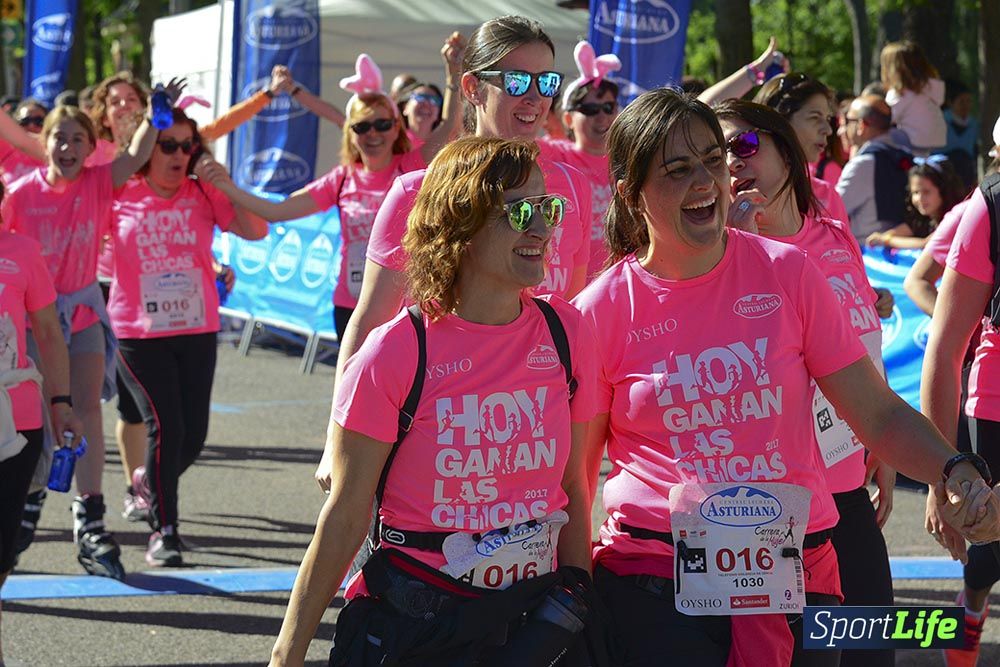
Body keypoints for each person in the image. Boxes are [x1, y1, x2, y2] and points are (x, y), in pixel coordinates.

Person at [571, 87, 994, 667]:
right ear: (629, 191)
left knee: (880, 649)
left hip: (800, 578)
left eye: (712, 161)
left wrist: (956, 471)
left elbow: (877, 413)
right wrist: (570, 599)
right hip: (656, 584)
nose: (705, 181)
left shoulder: (787, 271)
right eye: (677, 168)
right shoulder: (600, 310)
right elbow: (575, 482)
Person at [268, 137, 601, 667]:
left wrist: (577, 593)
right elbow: (347, 513)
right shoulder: (397, 350)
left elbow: (570, 485)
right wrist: (287, 655)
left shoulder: (567, 332)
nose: (542, 228)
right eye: (519, 211)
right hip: (420, 621)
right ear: (463, 225)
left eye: (547, 207)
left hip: (533, 617)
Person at [314, 15, 593, 490]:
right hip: (434, 436)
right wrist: (335, 442)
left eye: (547, 81)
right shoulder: (415, 192)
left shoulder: (570, 187)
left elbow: (574, 311)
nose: (535, 97)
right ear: (472, 86)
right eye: (517, 80)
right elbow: (370, 321)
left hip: (533, 437)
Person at [715, 98, 895, 667]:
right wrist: (735, 255)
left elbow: (866, 346)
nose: (731, 164)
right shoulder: (717, 254)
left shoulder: (834, 234)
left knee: (869, 651)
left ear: (785, 154)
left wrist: (885, 447)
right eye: (715, 156)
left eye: (744, 146)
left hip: (846, 486)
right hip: (770, 503)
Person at [1, 96, 165, 579]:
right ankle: (29, 495)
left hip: (82, 307)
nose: (67, 146)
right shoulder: (21, 193)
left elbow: (136, 154)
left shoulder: (97, 182)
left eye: (78, 139)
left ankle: (89, 512)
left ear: (91, 149)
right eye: (59, 137)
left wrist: (158, 116)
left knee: (86, 405)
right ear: (43, 145)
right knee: (41, 407)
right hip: (33, 319)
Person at [206, 43, 463, 341]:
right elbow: (277, 211)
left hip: (406, 308)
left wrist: (453, 73)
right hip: (351, 308)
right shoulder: (341, 179)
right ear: (351, 134)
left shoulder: (410, 166)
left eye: (382, 124)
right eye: (362, 127)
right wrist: (225, 187)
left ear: (396, 128)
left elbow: (449, 129)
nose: (373, 134)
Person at [107, 108, 267, 566]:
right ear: (146, 150)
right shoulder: (121, 193)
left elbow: (256, 230)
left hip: (197, 327)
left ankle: (147, 482)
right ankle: (165, 531)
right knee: (166, 426)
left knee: (193, 436)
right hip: (140, 332)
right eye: (168, 145)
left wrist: (224, 184)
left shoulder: (202, 193)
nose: (180, 155)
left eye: (187, 146)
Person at [922, 142, 1000, 666]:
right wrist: (938, 473)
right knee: (986, 559)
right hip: (995, 407)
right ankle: (970, 612)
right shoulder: (989, 205)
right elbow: (946, 348)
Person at [1, 209, 84, 666]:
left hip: (16, 420)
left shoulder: (22, 251)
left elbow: (50, 333)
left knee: (2, 551)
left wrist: (62, 404)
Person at [539, 39, 621, 277]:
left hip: (620, 286)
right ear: (567, 119)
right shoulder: (556, 155)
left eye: (608, 108)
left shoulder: (629, 159)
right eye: (589, 110)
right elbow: (505, 136)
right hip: (574, 290)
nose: (601, 117)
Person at [752, 73, 848, 224]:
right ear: (780, 122)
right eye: (815, 117)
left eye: (827, 119)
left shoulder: (827, 195)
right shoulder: (744, 196)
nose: (828, 130)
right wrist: (753, 71)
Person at [836, 94, 914, 243]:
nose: (842, 130)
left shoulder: (862, 165)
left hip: (869, 253)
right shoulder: (905, 156)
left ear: (861, 125)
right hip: (901, 249)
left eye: (848, 121)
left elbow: (833, 210)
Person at [866, 154, 967, 249]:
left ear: (944, 191)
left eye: (926, 192)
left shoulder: (953, 220)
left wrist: (887, 240)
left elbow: (926, 244)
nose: (920, 198)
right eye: (915, 192)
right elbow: (895, 233)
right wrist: (882, 237)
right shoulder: (924, 220)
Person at [881, 41, 946, 155]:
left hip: (914, 141)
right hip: (937, 139)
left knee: (878, 134)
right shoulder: (932, 86)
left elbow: (887, 117)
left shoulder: (900, 92)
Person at [943, 80, 979, 188]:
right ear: (950, 102)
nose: (966, 105)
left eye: (969, 101)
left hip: (966, 176)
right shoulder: (940, 121)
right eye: (961, 101)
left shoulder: (974, 124)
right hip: (944, 174)